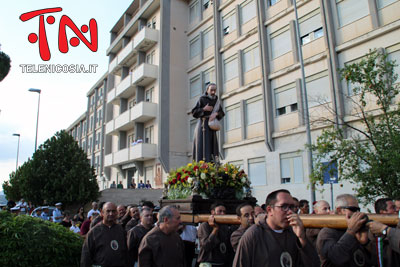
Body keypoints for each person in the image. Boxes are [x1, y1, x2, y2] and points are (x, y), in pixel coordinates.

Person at [233, 189, 320, 267]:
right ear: (269, 210)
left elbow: (313, 263)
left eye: (291, 207)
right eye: (284, 207)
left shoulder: (294, 232)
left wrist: (302, 238)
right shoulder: (253, 235)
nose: (290, 212)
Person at [316, 194, 374, 266]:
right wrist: (351, 231)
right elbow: (337, 258)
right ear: (339, 210)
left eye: (358, 210)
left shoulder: (356, 230)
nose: (357, 213)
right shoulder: (327, 232)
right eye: (353, 209)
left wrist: (365, 243)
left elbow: (368, 261)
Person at [81, 202, 128, 267]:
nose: (111, 214)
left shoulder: (121, 230)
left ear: (116, 213)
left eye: (113, 211)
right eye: (108, 211)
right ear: (102, 213)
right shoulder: (93, 232)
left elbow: (126, 252)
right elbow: (86, 256)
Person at [191, 83, 225, 163]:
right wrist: (204, 109)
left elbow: (222, 113)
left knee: (212, 146)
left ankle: (212, 165)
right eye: (211, 90)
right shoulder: (202, 99)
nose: (213, 92)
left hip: (211, 127)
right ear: (207, 90)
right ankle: (200, 166)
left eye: (214, 90)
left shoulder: (216, 100)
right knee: (201, 146)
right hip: (202, 125)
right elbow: (194, 112)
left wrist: (215, 114)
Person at [197, 202, 234, 267]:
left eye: (224, 211)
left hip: (221, 263)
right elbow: (206, 246)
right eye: (220, 211)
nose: (222, 214)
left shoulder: (224, 227)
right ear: (212, 212)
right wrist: (215, 229)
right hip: (208, 263)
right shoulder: (205, 225)